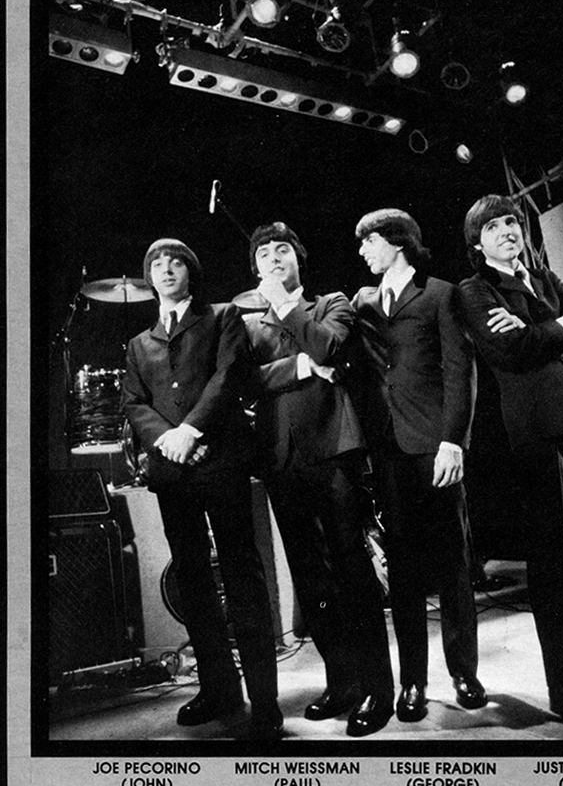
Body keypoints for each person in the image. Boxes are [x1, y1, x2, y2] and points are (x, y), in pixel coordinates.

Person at [458, 194, 563, 735]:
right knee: (554, 560)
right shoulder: (475, 290)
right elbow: (512, 350)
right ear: (477, 242)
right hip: (535, 432)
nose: (508, 230)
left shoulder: (545, 277)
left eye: (513, 221)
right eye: (494, 226)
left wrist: (561, 326)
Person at [233, 221, 394, 738]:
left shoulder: (331, 304)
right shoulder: (246, 324)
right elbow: (244, 381)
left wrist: (288, 310)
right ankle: (341, 680)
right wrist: (301, 365)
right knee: (310, 575)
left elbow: (328, 347)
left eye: (282, 249)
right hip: (281, 458)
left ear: (298, 259)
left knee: (351, 566)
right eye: (263, 253)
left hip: (333, 449)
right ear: (254, 268)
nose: (273, 257)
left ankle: (378, 688)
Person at [122, 238, 283, 739]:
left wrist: (190, 431)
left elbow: (230, 374)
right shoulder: (140, 343)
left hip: (220, 461)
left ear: (190, 271)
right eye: (157, 264)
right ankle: (219, 690)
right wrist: (169, 441)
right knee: (192, 581)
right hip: (173, 472)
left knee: (242, 576)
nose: (166, 269)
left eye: (175, 262)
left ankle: (265, 701)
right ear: (149, 277)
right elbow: (134, 402)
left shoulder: (222, 316)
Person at [352, 208, 486, 724]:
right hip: (388, 450)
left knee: (453, 563)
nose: (362, 251)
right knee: (403, 570)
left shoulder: (440, 294)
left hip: (434, 445)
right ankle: (413, 681)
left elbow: (460, 371)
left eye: (369, 241)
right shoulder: (365, 302)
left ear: (397, 241)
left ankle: (464, 672)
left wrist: (454, 441)